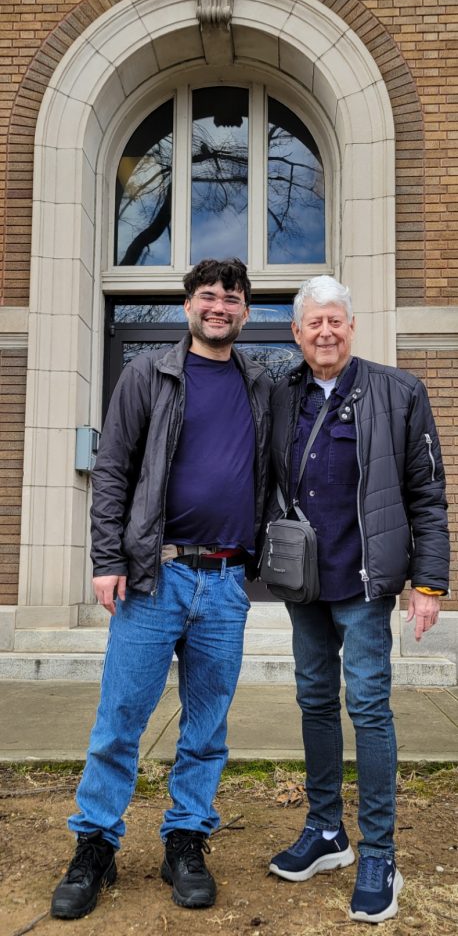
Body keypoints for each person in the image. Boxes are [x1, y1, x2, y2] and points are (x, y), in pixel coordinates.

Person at [51, 258, 271, 919]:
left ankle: (186, 840)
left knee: (206, 728)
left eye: (231, 299)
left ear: (245, 312)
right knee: (120, 720)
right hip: (156, 577)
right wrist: (106, 558)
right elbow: (113, 468)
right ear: (187, 306)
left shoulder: (259, 382)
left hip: (228, 582)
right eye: (208, 296)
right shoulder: (148, 374)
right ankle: (95, 844)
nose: (219, 307)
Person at [267, 276, 449, 924]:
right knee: (314, 700)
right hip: (305, 587)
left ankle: (379, 853)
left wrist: (428, 585)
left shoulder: (399, 392)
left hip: (367, 587)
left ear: (351, 326)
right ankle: (325, 830)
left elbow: (428, 496)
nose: (324, 332)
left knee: (368, 708)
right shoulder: (280, 394)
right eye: (313, 323)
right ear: (296, 332)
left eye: (335, 321)